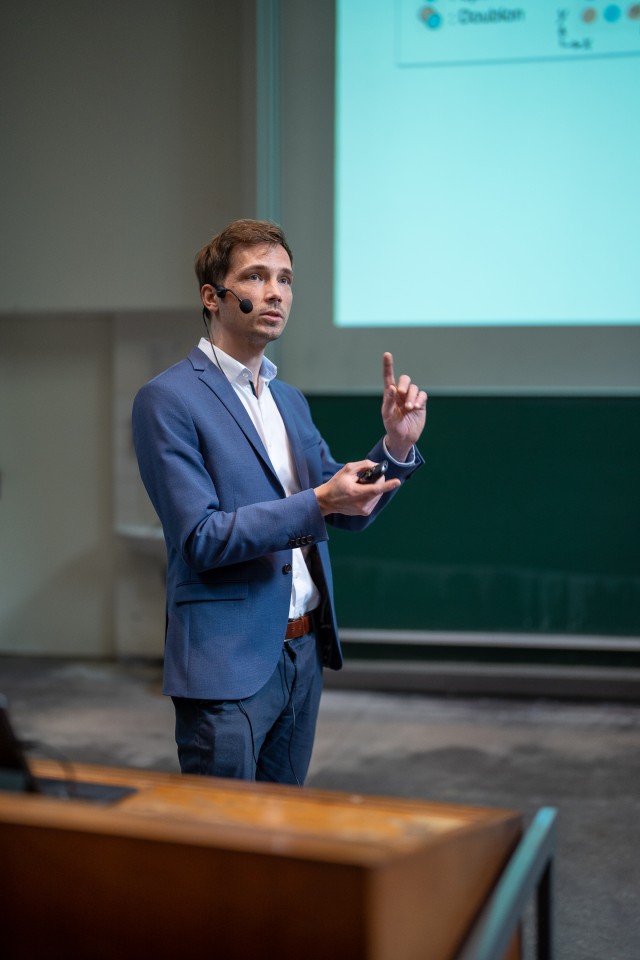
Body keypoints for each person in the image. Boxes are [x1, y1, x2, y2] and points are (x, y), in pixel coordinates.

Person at [132, 218, 427, 785]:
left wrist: (394, 445)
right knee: (224, 849)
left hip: (302, 655)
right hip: (227, 664)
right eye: (257, 277)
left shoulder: (288, 399)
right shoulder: (167, 399)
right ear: (213, 298)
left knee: (282, 844)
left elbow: (346, 507)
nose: (275, 293)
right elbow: (201, 539)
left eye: (285, 279)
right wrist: (317, 501)